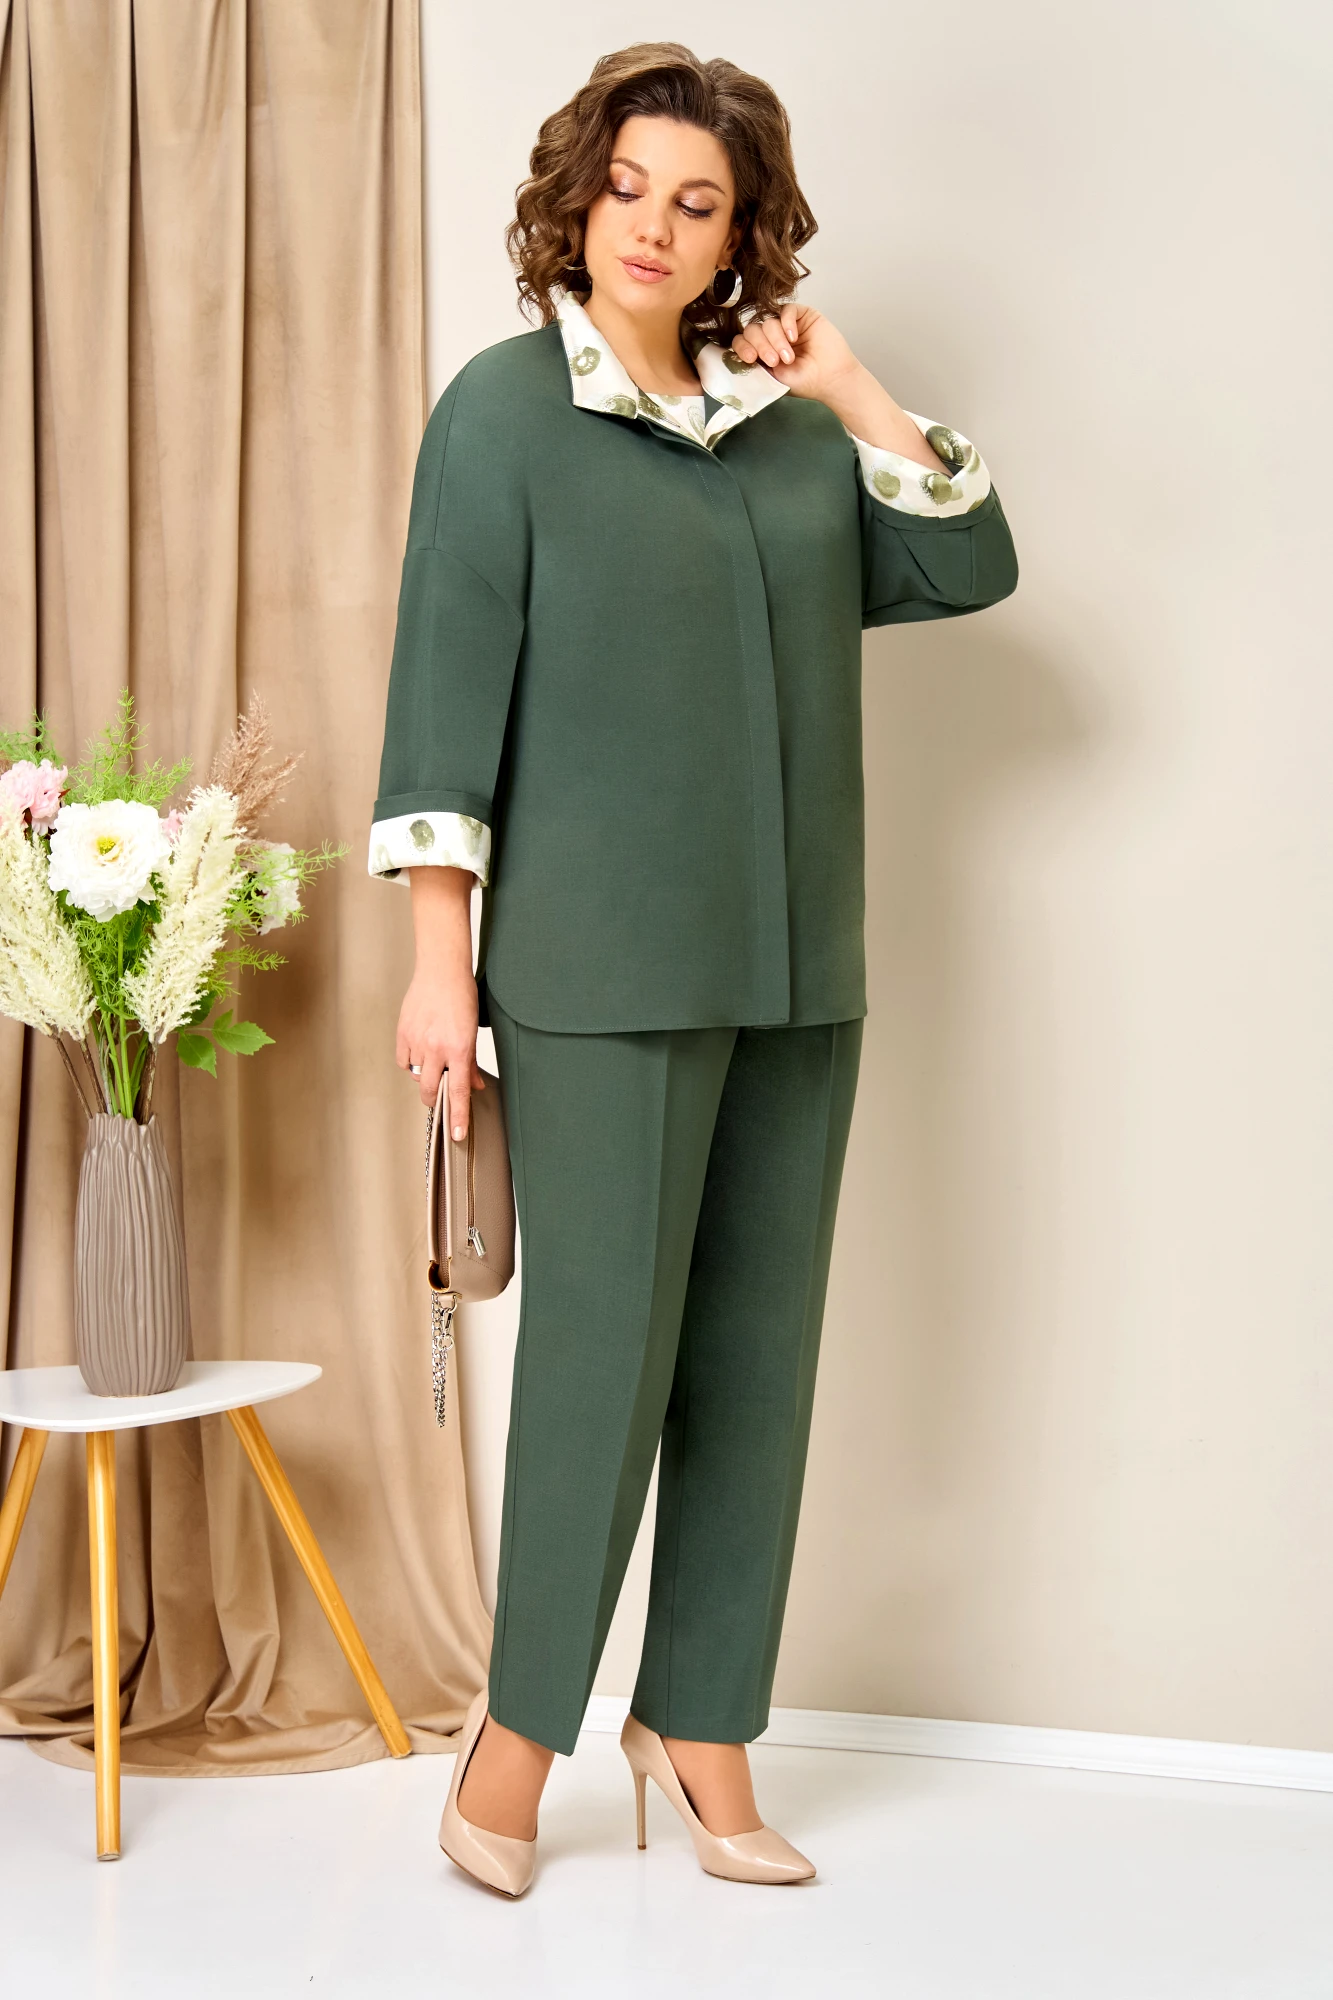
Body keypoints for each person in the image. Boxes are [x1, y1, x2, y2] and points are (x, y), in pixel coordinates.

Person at [369, 41, 1017, 1898]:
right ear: (578, 199)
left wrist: (854, 384)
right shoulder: (503, 416)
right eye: (629, 187)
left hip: (800, 967)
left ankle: (706, 1721)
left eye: (699, 202)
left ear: (744, 236)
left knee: (755, 1363)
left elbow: (966, 571)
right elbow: (442, 701)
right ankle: (517, 1743)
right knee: (600, 1364)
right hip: (595, 972)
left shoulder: (790, 429)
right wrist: (441, 968)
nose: (653, 226)